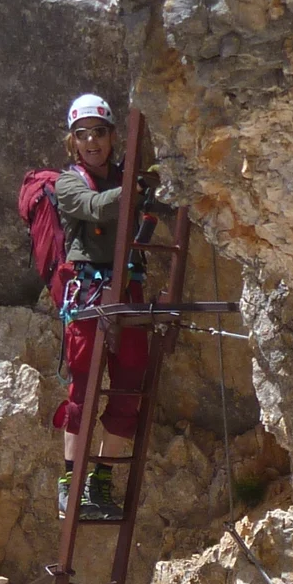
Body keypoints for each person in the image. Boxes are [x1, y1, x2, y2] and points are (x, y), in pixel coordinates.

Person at [45, 93, 175, 522]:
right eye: (83, 135)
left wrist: (149, 189)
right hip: (90, 293)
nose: (92, 142)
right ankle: (72, 481)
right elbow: (94, 206)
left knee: (129, 386)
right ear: (73, 142)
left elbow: (143, 203)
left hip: (129, 292)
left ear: (112, 136)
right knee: (82, 391)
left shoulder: (128, 178)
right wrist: (134, 189)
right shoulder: (69, 183)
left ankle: (100, 481)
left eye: (99, 133)